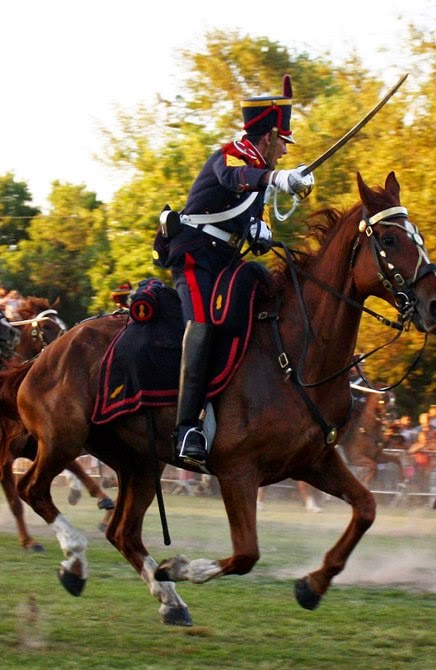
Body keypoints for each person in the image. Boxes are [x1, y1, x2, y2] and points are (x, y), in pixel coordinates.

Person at [154, 75, 315, 467]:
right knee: (204, 323)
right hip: (193, 257)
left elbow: (243, 209)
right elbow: (236, 179)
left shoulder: (258, 171)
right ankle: (188, 427)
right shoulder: (229, 156)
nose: (283, 152)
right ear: (268, 138)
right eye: (282, 143)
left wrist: (259, 230)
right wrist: (278, 178)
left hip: (224, 261)